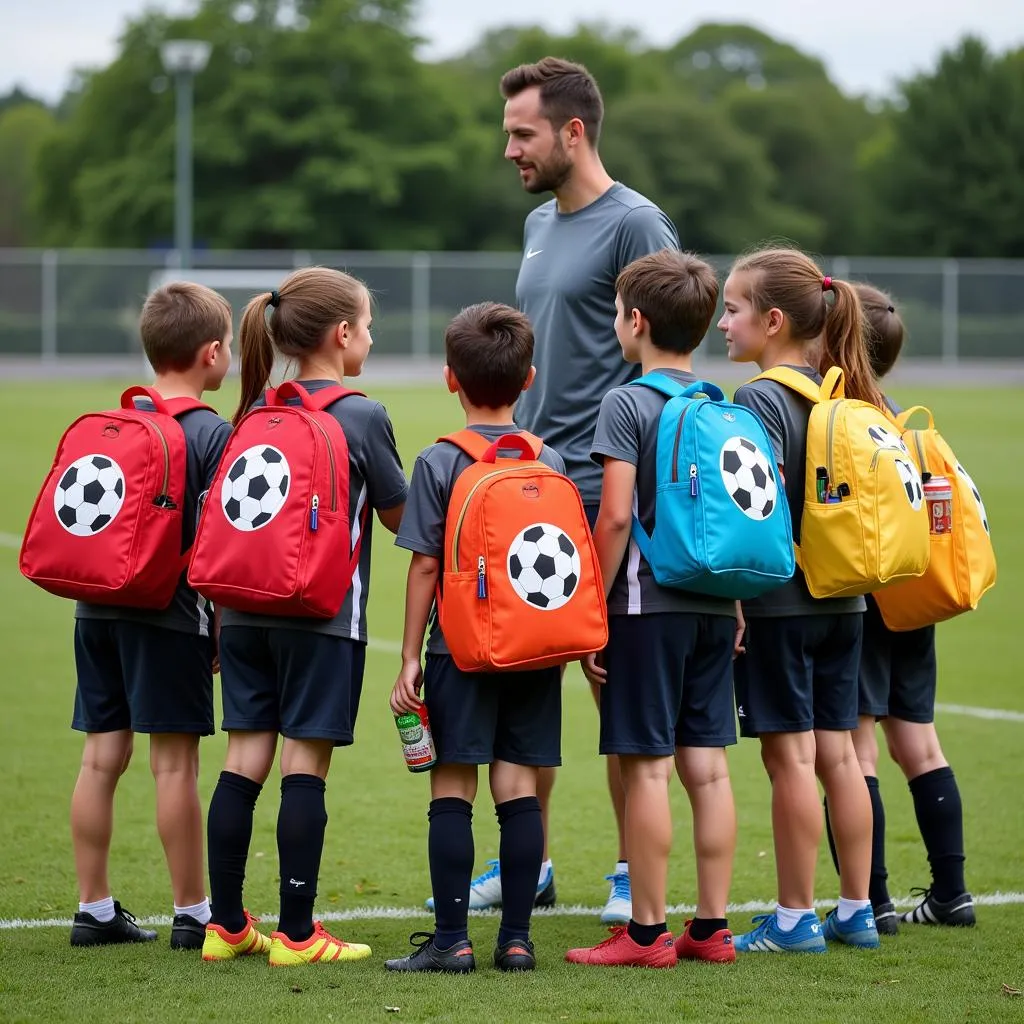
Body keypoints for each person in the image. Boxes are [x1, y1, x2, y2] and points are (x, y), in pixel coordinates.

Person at [443, 54, 681, 924]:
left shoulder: (638, 225)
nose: (509, 148)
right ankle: (528, 865)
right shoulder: (541, 221)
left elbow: (667, 359)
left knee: (612, 686)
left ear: (572, 131)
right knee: (526, 678)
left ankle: (628, 873)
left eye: (522, 132)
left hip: (607, 488)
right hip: (533, 491)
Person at [201, 267, 408, 966]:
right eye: (368, 326)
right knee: (304, 769)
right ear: (342, 334)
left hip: (242, 610)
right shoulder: (362, 414)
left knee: (242, 759)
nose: (370, 339)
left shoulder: (255, 412)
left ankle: (225, 926)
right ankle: (296, 934)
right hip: (322, 618)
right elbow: (399, 517)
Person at [565, 250, 740, 968]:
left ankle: (645, 933)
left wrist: (592, 611)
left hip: (644, 606)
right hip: (714, 606)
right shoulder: (720, 402)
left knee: (647, 769)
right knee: (711, 770)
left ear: (634, 321)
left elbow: (611, 519)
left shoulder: (627, 402)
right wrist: (734, 606)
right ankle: (714, 926)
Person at [386, 302, 564, 974]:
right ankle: (516, 941)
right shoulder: (551, 458)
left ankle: (452, 941)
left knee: (453, 787)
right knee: (517, 784)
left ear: (449, 379)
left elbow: (426, 562)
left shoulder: (438, 462)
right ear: (529, 379)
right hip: (534, 647)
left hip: (458, 649)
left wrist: (410, 654)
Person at [719, 246, 880, 953]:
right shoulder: (843, 387)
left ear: (774, 320)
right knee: (841, 753)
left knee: (790, 760)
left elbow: (756, 512)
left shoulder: (760, 398)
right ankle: (856, 909)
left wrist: (737, 604)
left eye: (733, 309)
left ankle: (793, 918)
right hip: (845, 601)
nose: (723, 324)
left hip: (782, 604)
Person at [69, 282, 233, 949]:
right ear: (213, 352)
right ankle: (193, 910)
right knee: (174, 766)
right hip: (169, 614)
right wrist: (222, 627)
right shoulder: (210, 432)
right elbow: (225, 536)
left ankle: (93, 906)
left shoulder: (120, 419)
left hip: (95, 606)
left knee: (101, 756)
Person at [822, 283, 974, 932]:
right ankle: (953, 893)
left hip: (862, 595)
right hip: (912, 593)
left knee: (857, 752)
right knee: (921, 742)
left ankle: (872, 901)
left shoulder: (837, 415)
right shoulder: (892, 413)